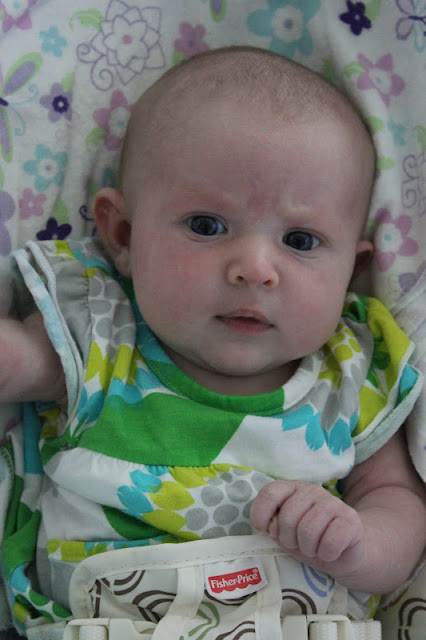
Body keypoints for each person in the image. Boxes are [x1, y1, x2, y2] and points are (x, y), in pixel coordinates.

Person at [0, 47, 424, 631]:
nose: (255, 269)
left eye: (300, 241)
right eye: (207, 226)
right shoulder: (100, 335)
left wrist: (357, 542)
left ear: (351, 271)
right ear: (122, 235)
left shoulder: (354, 373)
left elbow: (401, 506)